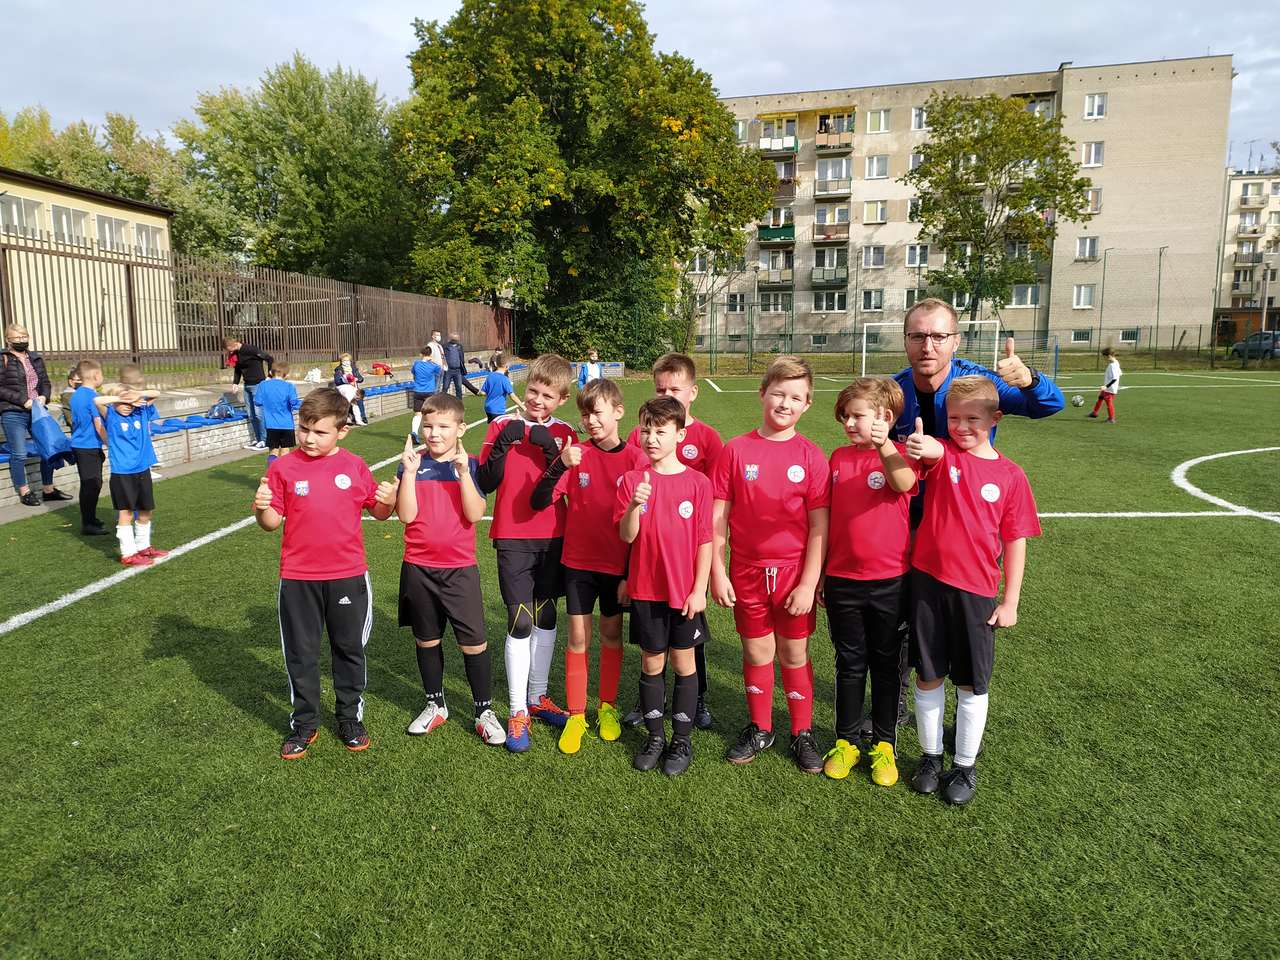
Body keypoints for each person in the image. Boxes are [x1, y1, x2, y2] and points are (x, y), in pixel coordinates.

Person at [887, 298, 1063, 729]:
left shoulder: (979, 383)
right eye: (917, 336)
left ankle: (964, 715)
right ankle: (897, 699)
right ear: (906, 341)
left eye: (938, 336)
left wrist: (1029, 379)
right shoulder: (895, 390)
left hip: (965, 527)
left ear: (956, 340)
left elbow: (1049, 404)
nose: (927, 345)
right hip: (907, 522)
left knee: (964, 625)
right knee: (904, 616)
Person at [902, 376, 1042, 805]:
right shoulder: (944, 455)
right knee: (928, 675)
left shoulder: (1011, 475)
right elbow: (932, 450)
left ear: (995, 419)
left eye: (972, 419)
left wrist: (1011, 600)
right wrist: (921, 445)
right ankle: (930, 757)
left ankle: (964, 765)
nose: (961, 427)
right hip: (926, 583)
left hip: (976, 593)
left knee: (971, 683)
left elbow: (1015, 540)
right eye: (954, 418)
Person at [252, 388, 397, 760]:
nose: (309, 438)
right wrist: (261, 507)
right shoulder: (282, 468)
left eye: (319, 432)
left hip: (347, 575)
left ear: (342, 431)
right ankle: (304, 723)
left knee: (348, 650)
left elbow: (379, 513)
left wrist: (389, 499)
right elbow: (271, 523)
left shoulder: (355, 466)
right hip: (298, 577)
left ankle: (350, 718)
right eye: (304, 429)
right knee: (301, 654)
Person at [710, 355, 830, 774]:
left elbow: (819, 527)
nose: (785, 403)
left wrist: (809, 582)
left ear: (807, 404)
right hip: (746, 571)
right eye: (778, 393)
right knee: (756, 650)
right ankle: (761, 727)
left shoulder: (811, 456)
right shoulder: (736, 450)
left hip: (794, 573)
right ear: (762, 393)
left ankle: (802, 731)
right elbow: (718, 518)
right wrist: (717, 571)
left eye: (796, 397)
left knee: (794, 653)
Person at [530, 377, 647, 754]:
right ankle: (577, 714)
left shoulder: (637, 459)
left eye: (597, 413)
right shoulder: (576, 454)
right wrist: (559, 464)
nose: (590, 421)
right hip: (578, 564)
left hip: (617, 566)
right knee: (578, 637)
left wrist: (630, 574)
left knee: (611, 634)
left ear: (618, 412)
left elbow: (644, 526)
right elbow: (539, 499)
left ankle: (607, 707)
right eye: (584, 415)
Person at [475, 354, 578, 752]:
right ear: (525, 387)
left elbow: (562, 487)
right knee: (520, 621)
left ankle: (538, 697)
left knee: (546, 616)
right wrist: (504, 443)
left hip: (554, 535)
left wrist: (551, 449)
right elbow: (486, 481)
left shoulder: (566, 432)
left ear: (562, 399)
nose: (537, 400)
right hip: (512, 536)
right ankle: (517, 710)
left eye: (547, 396)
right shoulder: (501, 424)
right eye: (533, 391)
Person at [822, 378, 921, 787]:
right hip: (842, 580)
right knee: (849, 664)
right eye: (845, 416)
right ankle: (846, 742)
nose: (849, 423)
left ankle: (884, 745)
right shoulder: (838, 457)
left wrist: (884, 447)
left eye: (857, 416)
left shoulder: (900, 455)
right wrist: (821, 574)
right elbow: (827, 519)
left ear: (885, 416)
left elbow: (905, 484)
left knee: (885, 665)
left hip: (890, 583)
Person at [394, 395, 506, 747]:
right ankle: (435, 704)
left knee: (474, 644)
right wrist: (409, 473)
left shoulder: (470, 465)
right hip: (418, 567)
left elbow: (474, 514)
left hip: (459, 570)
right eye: (428, 426)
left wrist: (463, 475)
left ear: (460, 428)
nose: (434, 433)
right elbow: (406, 515)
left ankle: (483, 711)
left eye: (443, 426)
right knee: (426, 639)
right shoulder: (412, 464)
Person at [623, 352, 722, 729]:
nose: (667, 395)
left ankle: (696, 701)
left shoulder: (707, 439)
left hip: (686, 560)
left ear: (692, 392)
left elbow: (712, 509)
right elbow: (632, 503)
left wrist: (709, 576)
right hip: (647, 559)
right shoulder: (641, 438)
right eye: (660, 389)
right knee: (652, 646)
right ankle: (650, 702)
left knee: (689, 645)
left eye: (674, 390)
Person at [615, 396, 713, 777]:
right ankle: (656, 736)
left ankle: (681, 739)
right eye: (646, 431)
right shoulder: (632, 481)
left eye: (660, 431)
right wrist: (633, 506)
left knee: (683, 662)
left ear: (679, 434)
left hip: (684, 592)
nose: (651, 439)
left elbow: (705, 541)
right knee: (652, 662)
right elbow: (627, 537)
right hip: (646, 591)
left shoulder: (698, 483)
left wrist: (699, 590)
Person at [93, 368, 168, 567]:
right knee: (125, 513)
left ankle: (143, 547)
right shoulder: (112, 415)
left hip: (142, 469)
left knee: (145, 510)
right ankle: (128, 553)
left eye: (129, 403)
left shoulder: (141, 412)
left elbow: (157, 393)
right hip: (123, 472)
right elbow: (97, 401)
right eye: (122, 403)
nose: (127, 406)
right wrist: (118, 398)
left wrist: (136, 396)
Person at [0, 325, 72, 507]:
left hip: (37, 410)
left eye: (24, 336)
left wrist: (44, 396)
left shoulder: (35, 358)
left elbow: (45, 382)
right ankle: (24, 492)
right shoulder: (3, 358)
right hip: (13, 411)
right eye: (17, 338)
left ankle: (48, 490)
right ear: (8, 340)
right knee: (19, 453)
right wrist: (23, 400)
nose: (21, 340)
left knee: (47, 447)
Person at [68, 359, 109, 535]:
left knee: (90, 484)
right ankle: (88, 523)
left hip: (81, 445)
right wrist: (111, 444)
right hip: (88, 446)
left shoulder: (76, 394)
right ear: (95, 375)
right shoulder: (93, 397)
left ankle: (90, 518)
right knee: (92, 484)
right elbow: (98, 424)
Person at [224, 336, 274, 450]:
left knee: (259, 414)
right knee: (251, 415)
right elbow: (238, 369)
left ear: (233, 344)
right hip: (247, 385)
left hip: (258, 385)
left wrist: (270, 376)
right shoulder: (236, 353)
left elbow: (269, 358)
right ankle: (258, 439)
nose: (228, 352)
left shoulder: (250, 349)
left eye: (228, 349)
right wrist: (235, 383)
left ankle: (265, 440)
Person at [253, 363, 301, 464]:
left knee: (273, 452)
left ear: (271, 372)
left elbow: (257, 402)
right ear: (286, 375)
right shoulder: (289, 386)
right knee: (285, 452)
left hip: (271, 425)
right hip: (287, 424)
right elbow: (294, 403)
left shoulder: (263, 385)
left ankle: (272, 471)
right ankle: (283, 472)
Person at [410, 344, 443, 440]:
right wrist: (433, 361)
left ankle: (414, 432)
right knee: (431, 413)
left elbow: (413, 373)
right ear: (430, 355)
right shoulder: (432, 366)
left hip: (417, 391)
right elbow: (440, 369)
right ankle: (434, 433)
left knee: (418, 413)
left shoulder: (416, 364)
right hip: (429, 392)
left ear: (421, 354)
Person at [443, 332, 482, 400]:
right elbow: (442, 357)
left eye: (457, 339)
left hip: (457, 370)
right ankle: (442, 401)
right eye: (454, 339)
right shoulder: (445, 346)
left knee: (459, 387)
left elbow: (461, 357)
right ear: (451, 339)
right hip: (448, 370)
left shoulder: (459, 346)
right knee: (445, 387)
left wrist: (466, 363)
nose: (456, 340)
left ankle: (459, 402)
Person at [1088, 348, 1122, 423]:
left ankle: (1111, 419)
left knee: (1108, 402)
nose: (1104, 359)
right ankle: (1094, 413)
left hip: (1110, 389)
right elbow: (1120, 373)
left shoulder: (1113, 365)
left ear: (1109, 356)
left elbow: (1115, 378)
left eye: (1104, 357)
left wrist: (1106, 386)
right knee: (1100, 397)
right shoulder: (1116, 362)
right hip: (1108, 388)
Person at [481, 353, 516, 422]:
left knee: (492, 426)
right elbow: (512, 396)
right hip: (498, 410)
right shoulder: (505, 379)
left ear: (496, 364)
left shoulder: (490, 375)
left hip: (488, 408)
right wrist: (524, 407)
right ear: (507, 366)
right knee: (499, 428)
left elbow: (482, 392)